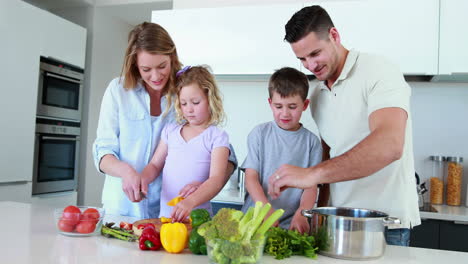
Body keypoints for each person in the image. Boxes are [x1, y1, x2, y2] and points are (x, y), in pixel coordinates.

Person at [267, 5, 420, 246]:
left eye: (315, 54)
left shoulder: (379, 70)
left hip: (384, 227)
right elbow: (330, 154)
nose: (310, 65)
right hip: (336, 223)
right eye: (302, 59)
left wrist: (310, 174)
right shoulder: (317, 96)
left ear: (334, 36)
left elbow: (390, 144)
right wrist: (316, 213)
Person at [93, 22, 236, 220]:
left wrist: (205, 184)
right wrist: (126, 172)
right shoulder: (118, 91)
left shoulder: (185, 91)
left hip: (168, 210)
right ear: (135, 64)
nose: (156, 76)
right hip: (122, 207)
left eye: (162, 66)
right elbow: (102, 150)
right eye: (146, 69)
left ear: (172, 57)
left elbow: (225, 155)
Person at [141, 66, 230, 222]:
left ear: (210, 98)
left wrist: (191, 201)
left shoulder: (217, 136)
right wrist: (142, 179)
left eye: (195, 102)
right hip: (166, 218)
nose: (189, 109)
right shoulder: (170, 132)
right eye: (183, 103)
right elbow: (155, 165)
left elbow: (216, 180)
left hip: (198, 223)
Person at [241, 67, 322, 233]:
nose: (285, 113)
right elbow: (251, 179)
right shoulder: (259, 134)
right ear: (270, 103)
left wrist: (301, 214)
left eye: (292, 106)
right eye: (279, 106)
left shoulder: (312, 142)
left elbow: (311, 186)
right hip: (254, 222)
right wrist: (265, 210)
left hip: (288, 226)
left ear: (305, 105)